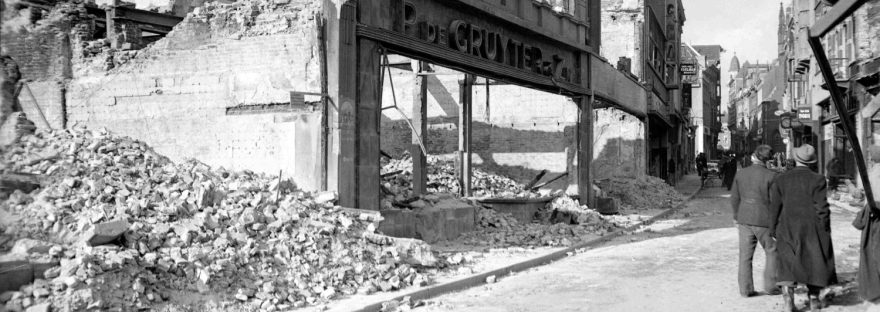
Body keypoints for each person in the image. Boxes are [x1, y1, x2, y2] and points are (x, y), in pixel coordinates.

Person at [770, 144, 837, 312]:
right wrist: (824, 228)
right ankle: (814, 300)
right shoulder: (818, 179)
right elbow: (822, 208)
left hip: (787, 227)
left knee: (786, 263)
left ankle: (788, 303)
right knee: (813, 260)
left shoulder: (781, 179)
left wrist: (773, 229)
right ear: (812, 161)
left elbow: (774, 207)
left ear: (796, 159)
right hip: (811, 227)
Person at [730, 145, 780, 298]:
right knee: (772, 251)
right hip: (764, 220)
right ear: (767, 160)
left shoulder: (741, 174)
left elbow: (734, 198)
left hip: (745, 218)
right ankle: (771, 286)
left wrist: (736, 216)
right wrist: (776, 222)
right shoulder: (772, 176)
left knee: (745, 255)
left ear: (754, 157)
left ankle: (745, 290)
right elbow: (776, 202)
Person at [854, 146, 880, 303]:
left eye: (871, 155)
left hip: (874, 216)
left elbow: (860, 194)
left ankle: (874, 290)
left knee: (871, 252)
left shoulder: (871, 173)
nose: (869, 157)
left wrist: (852, 188)